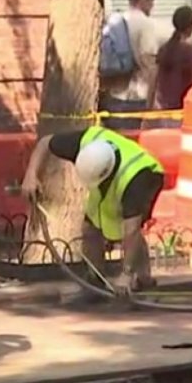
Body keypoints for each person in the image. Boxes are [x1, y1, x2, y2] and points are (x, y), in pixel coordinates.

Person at [20, 126, 165, 298]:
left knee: (128, 228)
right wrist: (31, 175)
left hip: (145, 174)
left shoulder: (136, 182)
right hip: (107, 179)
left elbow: (132, 231)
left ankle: (141, 279)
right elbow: (45, 143)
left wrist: (125, 274)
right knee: (90, 227)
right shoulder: (84, 143)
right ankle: (95, 278)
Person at [102, 0, 162, 131]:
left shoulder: (114, 21)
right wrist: (150, 105)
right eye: (151, 1)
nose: (153, 6)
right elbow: (150, 66)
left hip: (113, 95)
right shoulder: (145, 24)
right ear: (143, 0)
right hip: (135, 98)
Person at [152, 6, 192, 112]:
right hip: (183, 107)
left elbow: (154, 78)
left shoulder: (164, 49)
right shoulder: (189, 51)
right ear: (190, 27)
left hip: (164, 106)